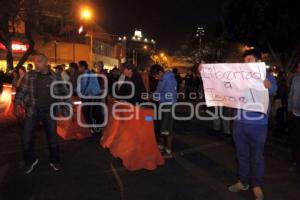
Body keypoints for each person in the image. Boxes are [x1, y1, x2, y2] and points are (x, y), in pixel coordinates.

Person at [228, 49, 276, 200]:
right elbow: (221, 83)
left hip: (258, 124)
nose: (246, 63)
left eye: (249, 59)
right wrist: (205, 71)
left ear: (258, 62)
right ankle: (243, 181)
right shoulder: (238, 78)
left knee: (257, 157)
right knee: (241, 155)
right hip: (239, 123)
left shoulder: (267, 77)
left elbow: (274, 89)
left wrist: (268, 85)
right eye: (245, 60)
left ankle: (256, 185)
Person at [14, 53, 70, 175]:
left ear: (46, 62)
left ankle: (54, 160)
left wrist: (66, 109)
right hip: (33, 111)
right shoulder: (29, 76)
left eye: (39, 61)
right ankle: (30, 160)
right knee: (26, 138)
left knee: (53, 139)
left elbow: (64, 93)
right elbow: (21, 91)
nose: (36, 63)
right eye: (35, 61)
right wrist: (17, 104)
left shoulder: (56, 77)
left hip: (49, 112)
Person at [151, 64, 177, 158]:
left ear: (161, 72)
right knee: (162, 127)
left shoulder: (170, 79)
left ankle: (168, 149)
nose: (155, 78)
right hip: (162, 105)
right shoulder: (161, 79)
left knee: (167, 129)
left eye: (156, 76)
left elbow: (169, 95)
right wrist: (153, 95)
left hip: (169, 106)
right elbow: (158, 91)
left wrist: (155, 96)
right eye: (154, 76)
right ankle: (161, 145)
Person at [77, 60, 102, 134]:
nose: (78, 69)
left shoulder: (88, 74)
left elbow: (87, 86)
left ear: (83, 67)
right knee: (89, 112)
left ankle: (94, 128)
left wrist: (81, 93)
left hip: (93, 96)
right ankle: (93, 128)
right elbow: (81, 86)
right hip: (91, 96)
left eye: (79, 67)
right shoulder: (85, 75)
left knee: (90, 112)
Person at [288, 63, 300, 172]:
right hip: (295, 114)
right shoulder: (295, 79)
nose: (299, 68)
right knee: (295, 139)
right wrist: (289, 109)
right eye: (298, 66)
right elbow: (291, 95)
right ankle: (295, 161)